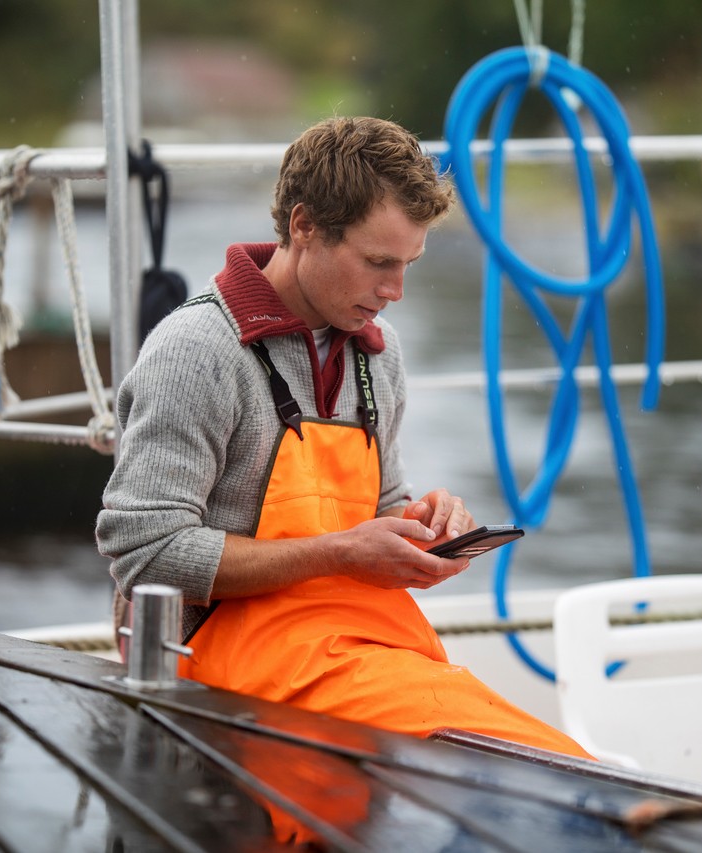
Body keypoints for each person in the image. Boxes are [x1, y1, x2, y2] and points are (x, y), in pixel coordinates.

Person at [97, 116, 591, 760]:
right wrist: (338, 554)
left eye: (408, 264)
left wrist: (421, 526)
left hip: (352, 646)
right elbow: (144, 553)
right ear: (304, 226)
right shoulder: (196, 352)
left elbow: (379, 506)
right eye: (378, 262)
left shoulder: (378, 353)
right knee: (495, 765)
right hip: (215, 666)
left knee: (523, 756)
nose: (395, 291)